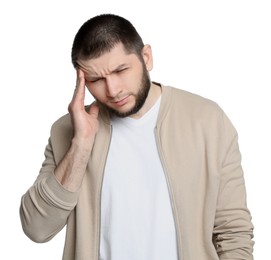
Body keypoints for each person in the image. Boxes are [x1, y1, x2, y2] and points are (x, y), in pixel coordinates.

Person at [20, 13, 254, 260]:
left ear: (146, 57)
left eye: (121, 70)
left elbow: (233, 231)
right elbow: (37, 228)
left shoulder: (207, 120)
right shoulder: (66, 131)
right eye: (96, 79)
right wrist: (80, 145)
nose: (113, 90)